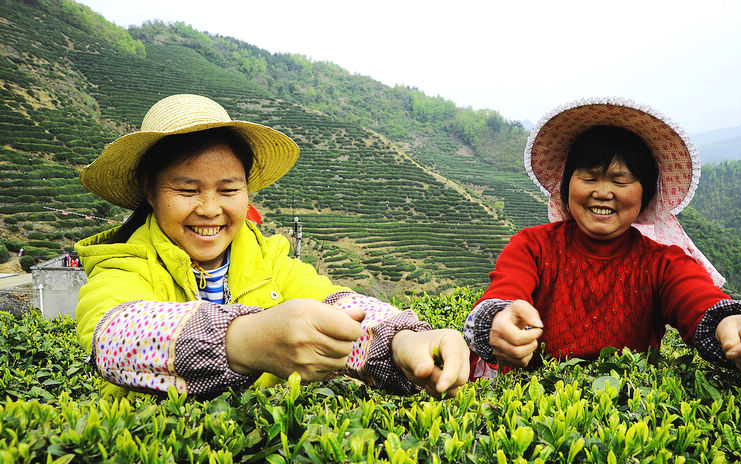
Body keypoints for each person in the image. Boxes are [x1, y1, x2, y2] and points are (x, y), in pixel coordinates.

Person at [75, 93, 469, 398]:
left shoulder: (268, 258)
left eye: (228, 189)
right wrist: (247, 340)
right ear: (150, 190)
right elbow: (113, 335)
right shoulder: (123, 264)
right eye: (186, 189)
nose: (210, 209)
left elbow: (334, 303)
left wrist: (404, 340)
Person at [464, 98, 741, 379]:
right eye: (589, 177)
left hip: (623, 416)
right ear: (566, 186)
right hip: (531, 407)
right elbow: (504, 291)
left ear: (645, 195)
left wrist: (733, 324)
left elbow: (697, 299)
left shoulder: (662, 263)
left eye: (621, 181)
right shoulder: (533, 246)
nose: (602, 192)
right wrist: (498, 319)